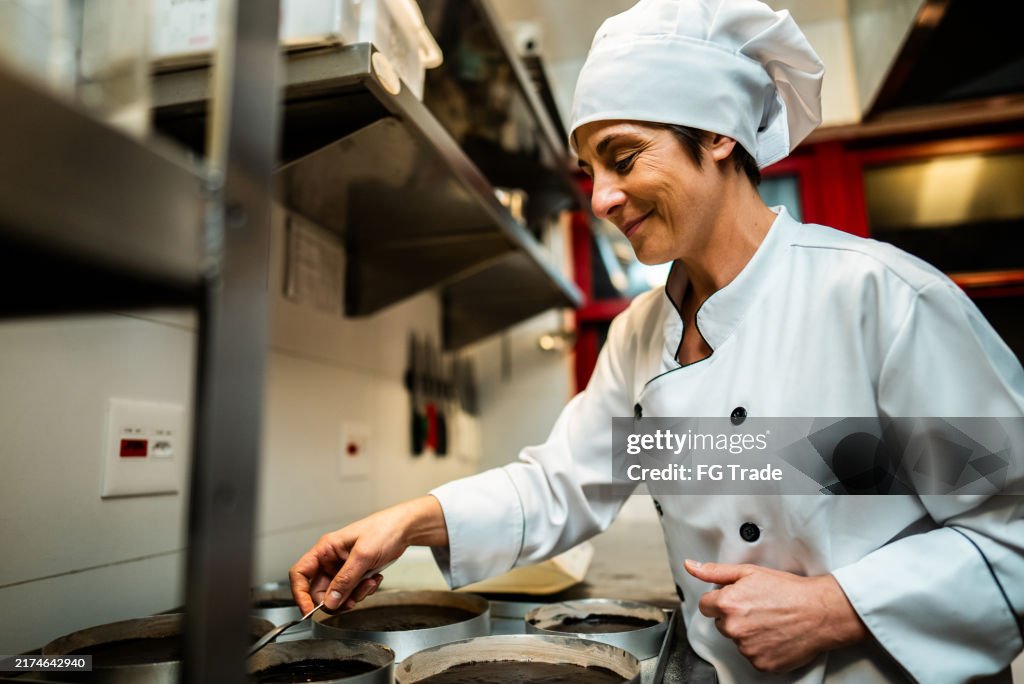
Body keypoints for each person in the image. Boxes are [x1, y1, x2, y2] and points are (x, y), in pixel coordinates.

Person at [290, 0, 1024, 681]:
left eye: (623, 157)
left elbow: (1011, 532)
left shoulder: (878, 300)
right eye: (589, 172)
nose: (601, 199)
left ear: (717, 132)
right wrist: (407, 521)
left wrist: (837, 607)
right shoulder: (642, 336)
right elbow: (566, 485)